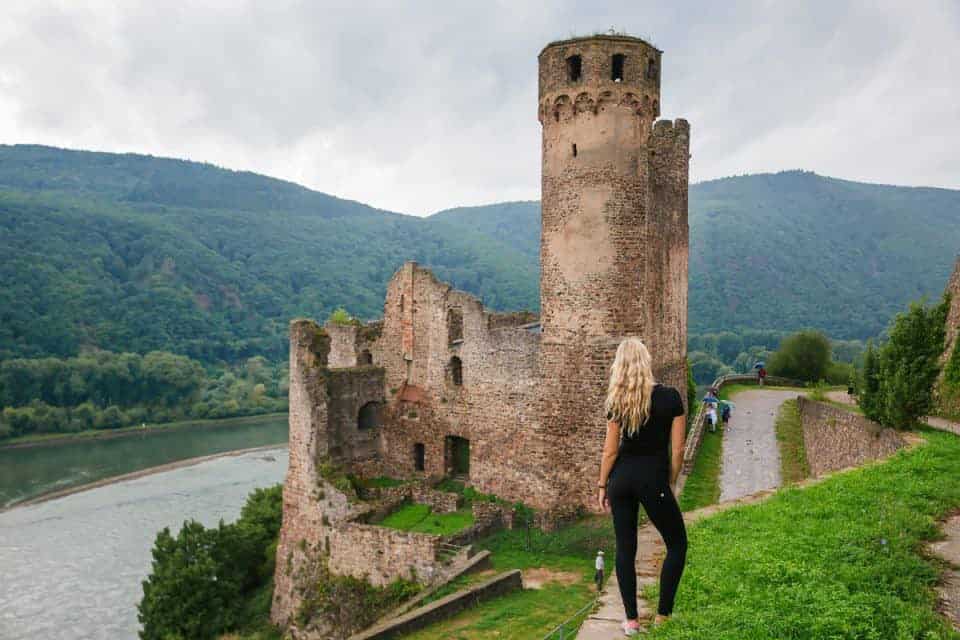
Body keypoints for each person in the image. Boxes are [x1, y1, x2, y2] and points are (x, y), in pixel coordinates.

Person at [597, 338, 688, 635]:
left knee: (625, 549)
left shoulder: (616, 401)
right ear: (646, 361)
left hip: (620, 480)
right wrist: (671, 481)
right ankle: (663, 615)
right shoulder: (670, 398)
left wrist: (601, 486)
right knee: (676, 544)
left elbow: (610, 452)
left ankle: (632, 621)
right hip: (653, 481)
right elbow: (678, 450)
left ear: (619, 367)